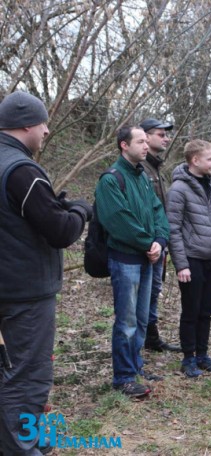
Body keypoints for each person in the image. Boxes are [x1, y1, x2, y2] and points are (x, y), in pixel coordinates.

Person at [0, 91, 91, 454]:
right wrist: (81, 211)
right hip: (23, 294)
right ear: (26, 124)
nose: (48, 131)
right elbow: (60, 231)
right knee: (27, 378)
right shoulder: (21, 169)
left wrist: (55, 206)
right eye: (43, 123)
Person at [95, 125, 169, 397]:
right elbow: (118, 220)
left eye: (146, 142)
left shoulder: (142, 177)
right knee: (126, 321)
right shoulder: (111, 179)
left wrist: (159, 241)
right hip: (125, 259)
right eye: (140, 141)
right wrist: (146, 243)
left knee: (140, 319)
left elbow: (158, 210)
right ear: (124, 145)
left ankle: (135, 367)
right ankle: (123, 377)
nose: (146, 146)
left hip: (148, 258)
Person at [166, 140, 211, 377]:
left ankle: (203, 355)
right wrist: (181, 264)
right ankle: (188, 358)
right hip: (192, 259)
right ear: (195, 160)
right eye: (210, 159)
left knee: (207, 310)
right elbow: (172, 230)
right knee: (191, 310)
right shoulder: (178, 190)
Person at [140, 118, 181, 353]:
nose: (166, 138)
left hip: (159, 242)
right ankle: (143, 338)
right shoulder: (140, 168)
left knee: (154, 290)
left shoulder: (157, 168)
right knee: (145, 291)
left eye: (166, 134)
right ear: (145, 136)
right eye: (160, 134)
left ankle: (151, 336)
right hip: (147, 245)